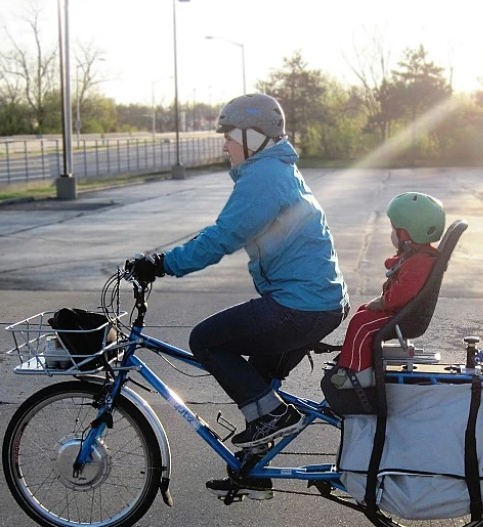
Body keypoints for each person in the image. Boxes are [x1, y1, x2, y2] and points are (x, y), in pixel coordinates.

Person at [127, 93, 348, 498]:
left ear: (253, 136)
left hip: (300, 307)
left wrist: (161, 264)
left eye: (229, 136)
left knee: (206, 341)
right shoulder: (277, 169)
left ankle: (275, 417)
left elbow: (222, 237)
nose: (224, 145)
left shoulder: (264, 178)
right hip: (315, 303)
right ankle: (255, 469)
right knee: (259, 387)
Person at [329, 192, 445, 390]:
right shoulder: (420, 256)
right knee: (364, 311)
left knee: (362, 324)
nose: (392, 234)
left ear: (409, 234)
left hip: (403, 316)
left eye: (396, 230)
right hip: (403, 311)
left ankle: (357, 373)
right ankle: (356, 359)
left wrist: (383, 303)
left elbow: (402, 293)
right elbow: (403, 272)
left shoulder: (420, 262)